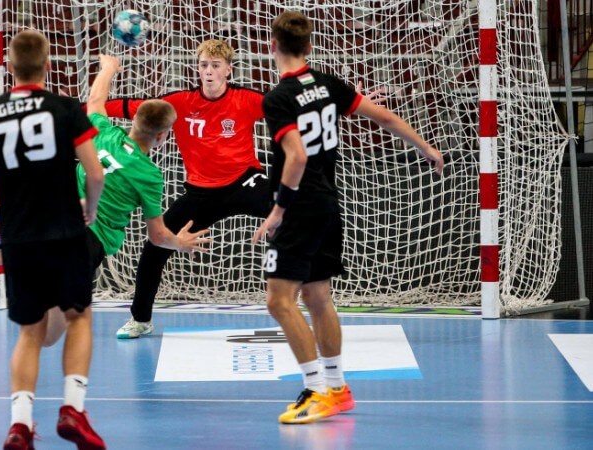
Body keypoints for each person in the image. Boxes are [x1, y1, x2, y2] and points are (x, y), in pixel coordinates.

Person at [104, 39, 383, 339]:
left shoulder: (246, 99)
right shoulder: (180, 102)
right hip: (201, 193)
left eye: (215, 65)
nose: (208, 71)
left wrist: (348, 105)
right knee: (155, 248)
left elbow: (297, 109)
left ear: (228, 70)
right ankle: (141, 319)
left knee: (297, 215)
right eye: (203, 65)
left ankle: (316, 298)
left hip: (245, 181)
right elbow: (129, 107)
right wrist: (81, 111)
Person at [253, 11, 444, 424]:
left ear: (273, 46)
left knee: (279, 301)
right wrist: (426, 148)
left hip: (301, 208)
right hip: (328, 202)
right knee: (317, 296)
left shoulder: (278, 98)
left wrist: (278, 210)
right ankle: (337, 389)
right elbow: (385, 117)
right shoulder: (328, 84)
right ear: (309, 47)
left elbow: (296, 156)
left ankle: (316, 389)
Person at [0, 30, 106, 450]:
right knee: (79, 317)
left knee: (30, 332)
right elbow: (95, 173)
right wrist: (91, 208)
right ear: (47, 65)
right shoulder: (65, 108)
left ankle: (20, 424)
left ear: (10, 67)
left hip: (19, 236)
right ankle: (73, 408)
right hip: (64, 230)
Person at [42, 54, 211, 347]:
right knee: (57, 328)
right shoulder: (149, 175)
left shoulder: (104, 133)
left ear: (134, 121)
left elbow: (95, 100)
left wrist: (108, 67)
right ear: (161, 137)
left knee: (43, 300)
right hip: (88, 241)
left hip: (54, 221)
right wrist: (180, 243)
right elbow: (157, 236)